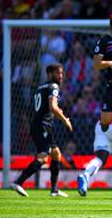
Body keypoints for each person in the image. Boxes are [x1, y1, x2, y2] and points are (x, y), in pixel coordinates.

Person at [12, 63, 73, 197]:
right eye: (58, 73)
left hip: (40, 125)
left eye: (62, 73)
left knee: (56, 154)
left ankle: (54, 189)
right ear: (50, 74)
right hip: (43, 126)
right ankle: (18, 182)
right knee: (44, 158)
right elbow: (53, 107)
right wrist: (65, 120)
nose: (61, 76)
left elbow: (40, 108)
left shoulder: (39, 88)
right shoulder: (54, 86)